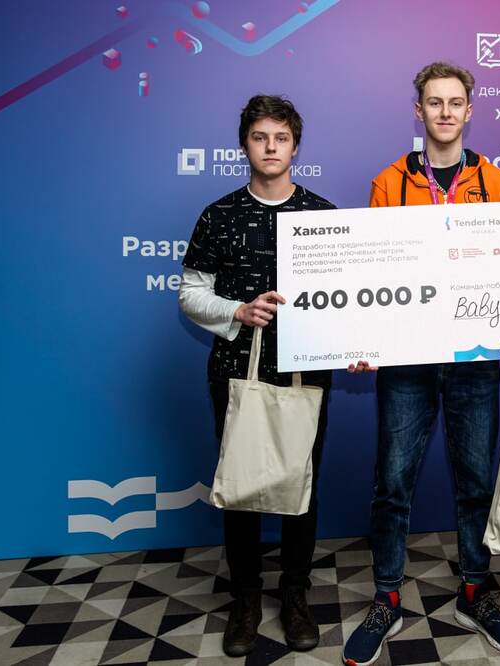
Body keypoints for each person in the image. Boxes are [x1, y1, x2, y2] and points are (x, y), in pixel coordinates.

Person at [342, 62, 500, 666]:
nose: (445, 112)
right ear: (418, 110)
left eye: (455, 103)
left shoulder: (496, 182)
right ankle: (386, 598)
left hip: (475, 358)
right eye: (434, 102)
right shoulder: (388, 182)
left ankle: (475, 591)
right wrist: (361, 339)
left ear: (469, 111)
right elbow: (371, 270)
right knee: (392, 483)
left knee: (476, 482)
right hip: (407, 358)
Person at [179, 95, 336, 657]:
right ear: (244, 145)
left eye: (281, 138)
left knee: (301, 486)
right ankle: (245, 600)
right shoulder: (218, 215)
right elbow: (190, 294)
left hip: (305, 373)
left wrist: (360, 344)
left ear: (296, 146)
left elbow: (348, 301)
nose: (271, 147)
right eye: (260, 137)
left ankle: (294, 595)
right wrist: (237, 311)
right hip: (234, 372)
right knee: (241, 488)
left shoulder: (323, 215)